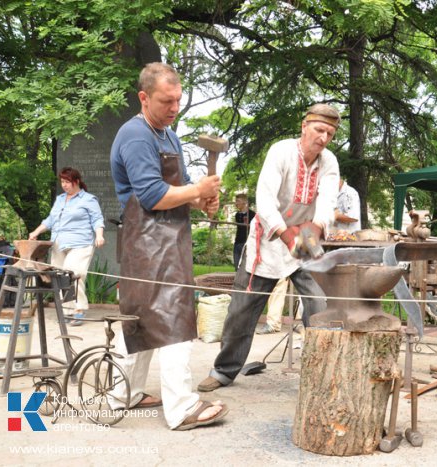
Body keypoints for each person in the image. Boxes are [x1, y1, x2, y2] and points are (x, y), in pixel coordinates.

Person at [109, 62, 228, 430]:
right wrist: (196, 191)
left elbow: (183, 187)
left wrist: (201, 199)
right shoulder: (135, 135)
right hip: (145, 240)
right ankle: (181, 408)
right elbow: (151, 194)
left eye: (178, 100)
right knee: (174, 319)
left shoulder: (167, 135)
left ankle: (123, 394)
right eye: (166, 101)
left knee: (142, 320)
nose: (174, 108)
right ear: (144, 98)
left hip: (168, 237)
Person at [198, 103, 341, 392]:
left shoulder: (329, 162)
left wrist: (314, 228)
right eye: (319, 130)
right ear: (304, 127)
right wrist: (287, 236)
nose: (323, 138)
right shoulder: (281, 151)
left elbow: (327, 202)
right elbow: (264, 200)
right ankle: (224, 371)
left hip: (307, 235)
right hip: (269, 236)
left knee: (319, 305)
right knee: (242, 310)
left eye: (330, 133)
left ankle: (321, 374)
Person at [28, 167, 105, 326]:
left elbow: (97, 219)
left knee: (73, 273)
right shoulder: (60, 199)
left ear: (76, 181)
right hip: (59, 243)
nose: (64, 185)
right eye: (62, 182)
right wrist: (35, 232)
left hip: (80, 243)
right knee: (59, 277)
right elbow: (50, 220)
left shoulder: (89, 199)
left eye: (67, 182)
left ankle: (79, 310)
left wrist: (99, 235)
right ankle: (68, 312)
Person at [233, 193, 256, 269]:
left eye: (238, 201)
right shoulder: (237, 215)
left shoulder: (252, 214)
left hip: (247, 243)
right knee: (237, 266)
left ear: (245, 202)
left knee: (246, 266)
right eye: (236, 201)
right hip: (238, 242)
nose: (236, 203)